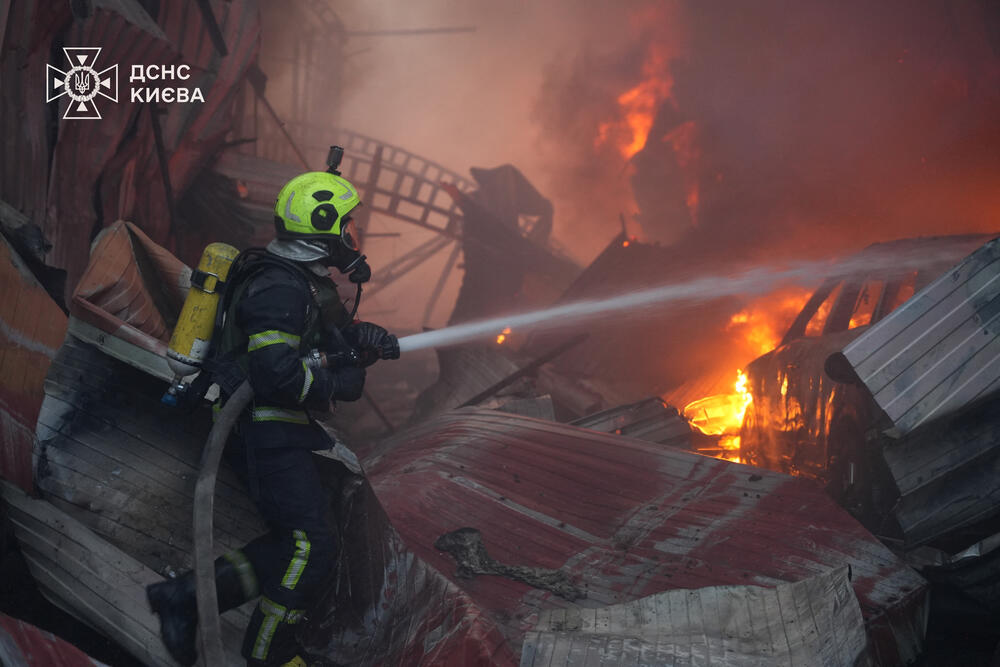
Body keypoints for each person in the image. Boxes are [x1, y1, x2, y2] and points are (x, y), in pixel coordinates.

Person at [146, 169, 399, 666]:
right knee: (312, 545)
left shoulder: (302, 284)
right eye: (347, 226)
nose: (354, 238)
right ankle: (268, 654)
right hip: (262, 430)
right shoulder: (280, 289)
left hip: (278, 429)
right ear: (324, 227)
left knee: (296, 542)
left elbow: (327, 357)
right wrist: (339, 374)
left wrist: (361, 343)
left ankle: (185, 599)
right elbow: (276, 375)